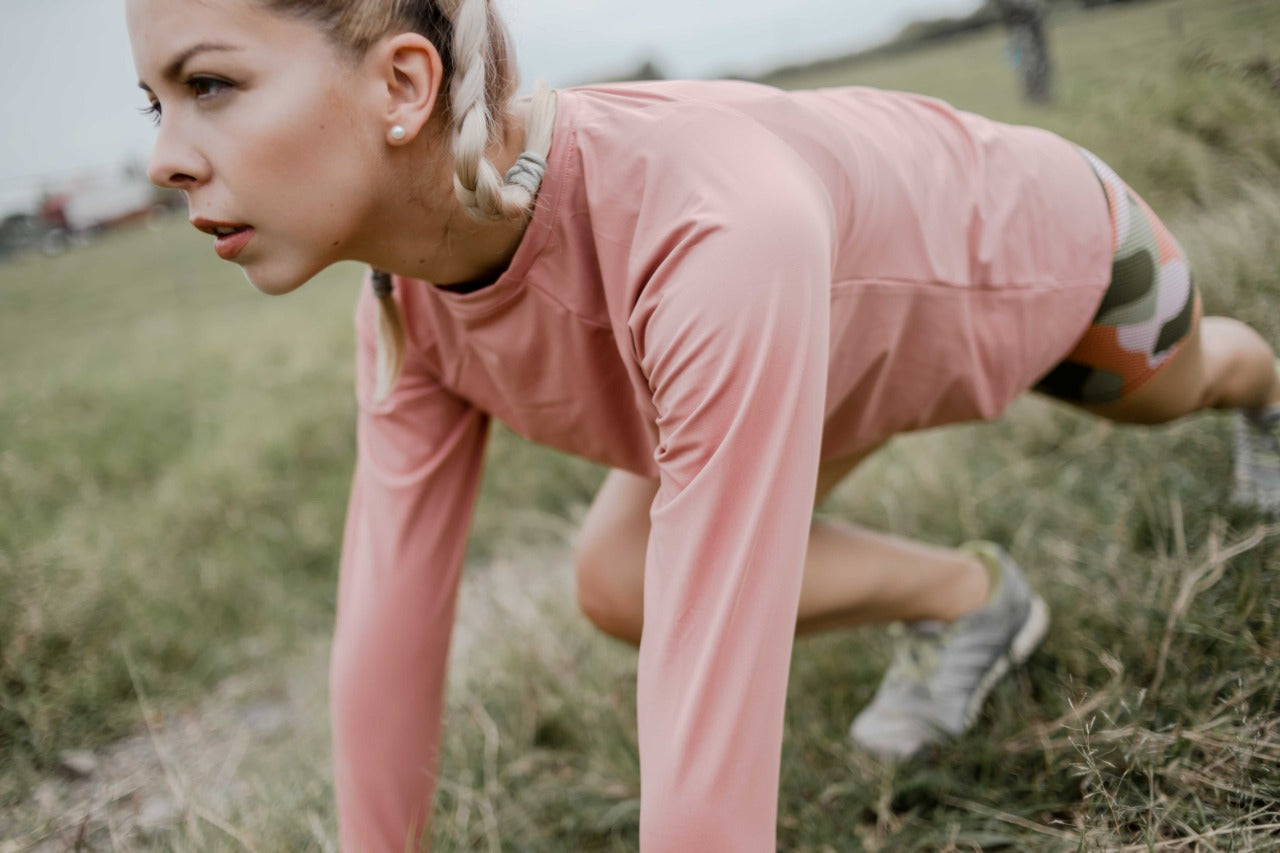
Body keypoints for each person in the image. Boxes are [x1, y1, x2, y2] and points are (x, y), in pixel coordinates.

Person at [126, 0, 1280, 849]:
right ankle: (978, 604)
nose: (165, 156)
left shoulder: (710, 229)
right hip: (833, 354)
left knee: (1174, 386)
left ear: (401, 84)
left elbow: (709, 712)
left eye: (210, 85)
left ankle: (1265, 395)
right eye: (155, 103)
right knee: (615, 573)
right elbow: (391, 610)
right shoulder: (403, 300)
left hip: (1053, 252)